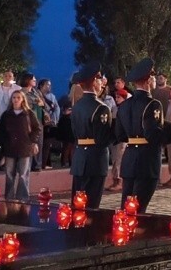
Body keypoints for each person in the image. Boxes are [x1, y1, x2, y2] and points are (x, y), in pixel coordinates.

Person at [114, 58, 164, 213]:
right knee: (139, 210)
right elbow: (153, 135)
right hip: (147, 161)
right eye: (153, 77)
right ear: (148, 80)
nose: (154, 79)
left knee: (126, 208)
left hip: (129, 159)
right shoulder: (153, 104)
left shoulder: (124, 105)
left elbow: (120, 135)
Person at [70, 63, 114, 209]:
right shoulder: (101, 107)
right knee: (92, 205)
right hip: (95, 159)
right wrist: (117, 133)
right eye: (100, 79)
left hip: (80, 158)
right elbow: (103, 139)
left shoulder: (77, 106)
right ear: (94, 82)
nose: (102, 83)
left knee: (77, 203)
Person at [0, 91, 40, 201]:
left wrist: (32, 141)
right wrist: (4, 143)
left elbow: (37, 128)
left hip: (24, 147)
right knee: (9, 174)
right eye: (14, 97)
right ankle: (9, 197)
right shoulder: (6, 114)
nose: (16, 99)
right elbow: (1, 130)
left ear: (22, 99)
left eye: (18, 97)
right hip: (10, 147)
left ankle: (22, 198)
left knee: (23, 174)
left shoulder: (29, 114)